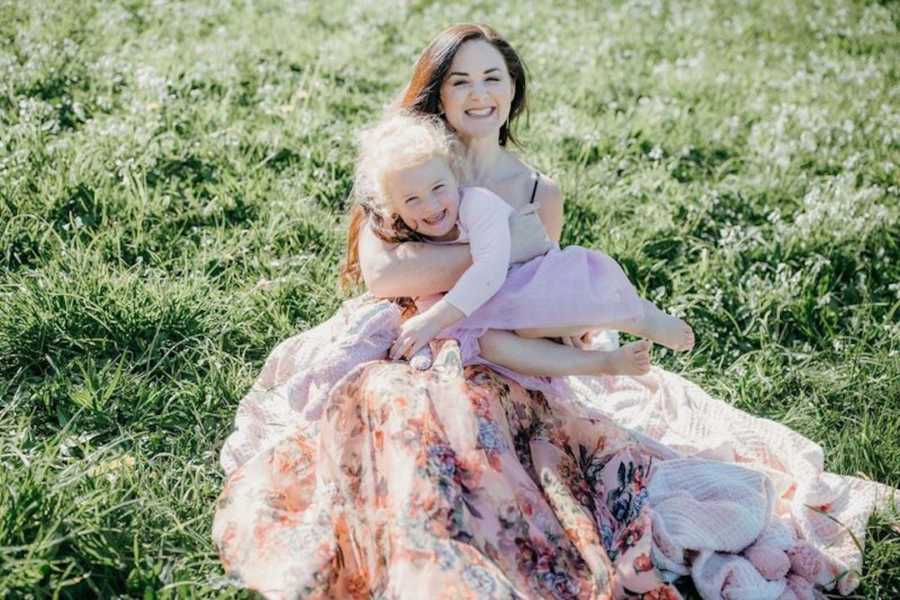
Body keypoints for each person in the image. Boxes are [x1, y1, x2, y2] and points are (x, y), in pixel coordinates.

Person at [213, 24, 896, 600]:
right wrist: (505, 247)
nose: (479, 94)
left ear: (513, 90)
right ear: (437, 93)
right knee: (401, 409)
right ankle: (426, 545)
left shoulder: (538, 189)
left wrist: (505, 266)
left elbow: (541, 291)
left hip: (505, 344)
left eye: (493, 79)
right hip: (410, 335)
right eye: (461, 82)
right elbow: (384, 272)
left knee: (491, 414)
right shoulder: (408, 166)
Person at [350, 110, 693, 380]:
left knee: (535, 318)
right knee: (490, 343)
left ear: (455, 177)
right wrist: (425, 335)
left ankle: (635, 315)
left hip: (531, 278)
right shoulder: (408, 227)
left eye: (438, 188)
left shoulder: (477, 204)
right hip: (484, 307)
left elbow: (489, 270)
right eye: (412, 199)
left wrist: (434, 320)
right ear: (393, 207)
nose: (430, 205)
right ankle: (604, 363)